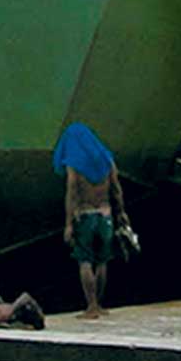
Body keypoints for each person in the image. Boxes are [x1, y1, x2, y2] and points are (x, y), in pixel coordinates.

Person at [54, 121, 128, 319]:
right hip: (106, 215)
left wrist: (69, 223)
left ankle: (91, 306)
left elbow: (72, 193)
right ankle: (100, 304)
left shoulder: (74, 163)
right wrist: (121, 213)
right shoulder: (106, 159)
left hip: (85, 216)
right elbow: (116, 189)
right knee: (102, 261)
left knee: (85, 261)